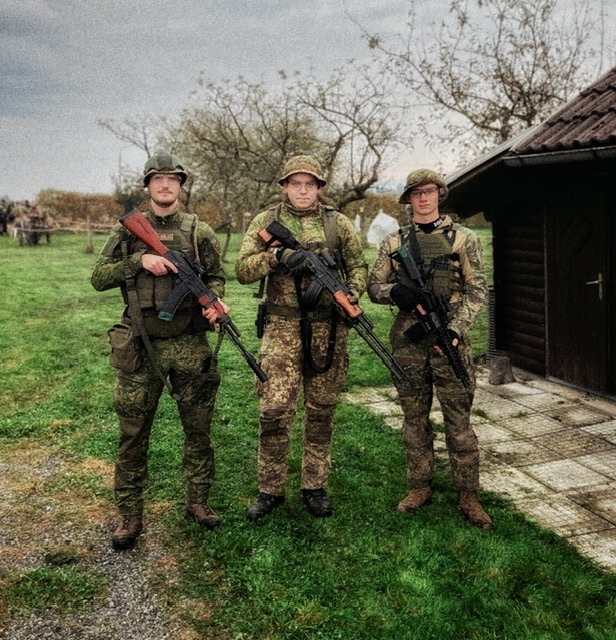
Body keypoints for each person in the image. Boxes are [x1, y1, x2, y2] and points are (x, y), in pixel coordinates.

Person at [92, 151, 228, 550]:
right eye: (158, 179)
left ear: (180, 185)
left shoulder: (199, 231)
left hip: (190, 344)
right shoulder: (127, 232)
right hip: (141, 345)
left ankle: (198, 501)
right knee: (133, 434)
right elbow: (98, 277)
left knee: (198, 430)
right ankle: (129, 514)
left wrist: (214, 300)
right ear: (148, 185)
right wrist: (139, 260)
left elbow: (217, 276)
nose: (165, 185)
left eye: (172, 179)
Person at [235, 155, 368, 521]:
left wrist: (353, 292)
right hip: (281, 329)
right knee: (274, 411)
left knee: (321, 411)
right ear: (284, 186)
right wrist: (277, 258)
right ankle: (270, 489)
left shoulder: (337, 223)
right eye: (296, 184)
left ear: (319, 188)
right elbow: (242, 270)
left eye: (310, 184)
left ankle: (314, 486)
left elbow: (358, 266)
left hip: (328, 328)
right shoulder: (266, 222)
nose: (304, 190)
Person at [367, 168, 493, 530]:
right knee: (414, 419)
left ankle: (468, 494)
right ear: (408, 200)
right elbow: (373, 286)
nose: (423, 198)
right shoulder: (394, 242)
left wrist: (454, 330)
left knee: (459, 422)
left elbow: (477, 290)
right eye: (416, 193)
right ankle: (419, 485)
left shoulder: (463, 239)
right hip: (409, 341)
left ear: (440, 194)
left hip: (448, 338)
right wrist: (395, 292)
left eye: (429, 191)